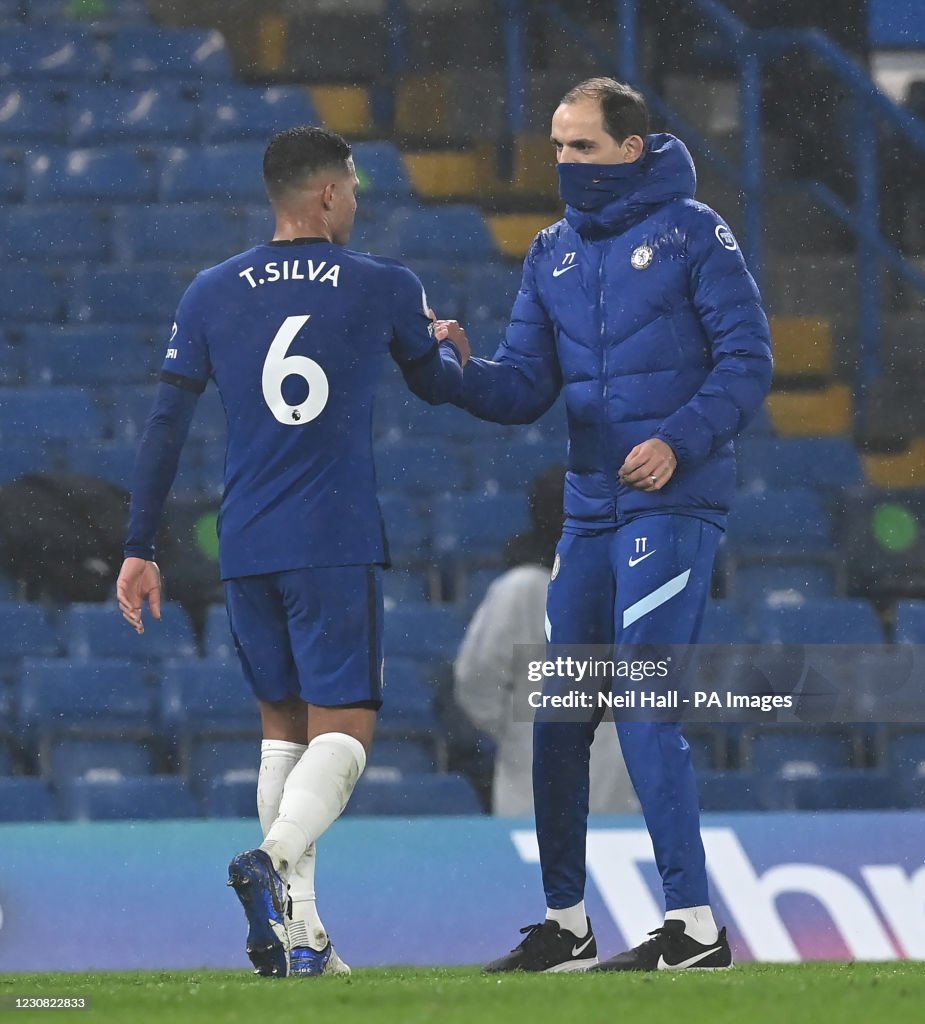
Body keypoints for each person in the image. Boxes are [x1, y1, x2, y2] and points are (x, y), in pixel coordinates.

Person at [115, 126, 468, 979]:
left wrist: (139, 545)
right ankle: (271, 864)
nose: (354, 200)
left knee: (282, 731)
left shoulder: (210, 290)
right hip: (332, 537)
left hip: (247, 542)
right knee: (344, 728)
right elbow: (434, 383)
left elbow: (166, 424)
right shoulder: (383, 283)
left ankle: (301, 938)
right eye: (351, 186)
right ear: (325, 195)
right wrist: (446, 344)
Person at [436, 78, 772, 972]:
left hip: (672, 498)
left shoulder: (695, 232)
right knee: (558, 711)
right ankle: (566, 924)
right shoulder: (548, 254)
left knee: (644, 705)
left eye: (580, 146)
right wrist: (458, 370)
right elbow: (522, 387)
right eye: (555, 146)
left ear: (630, 148)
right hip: (591, 505)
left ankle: (694, 928)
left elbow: (748, 360)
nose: (563, 163)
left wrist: (677, 439)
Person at [454, 466, 638, 816]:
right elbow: (475, 682)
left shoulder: (622, 590)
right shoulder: (521, 589)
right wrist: (520, 729)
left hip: (618, 805)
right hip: (533, 802)